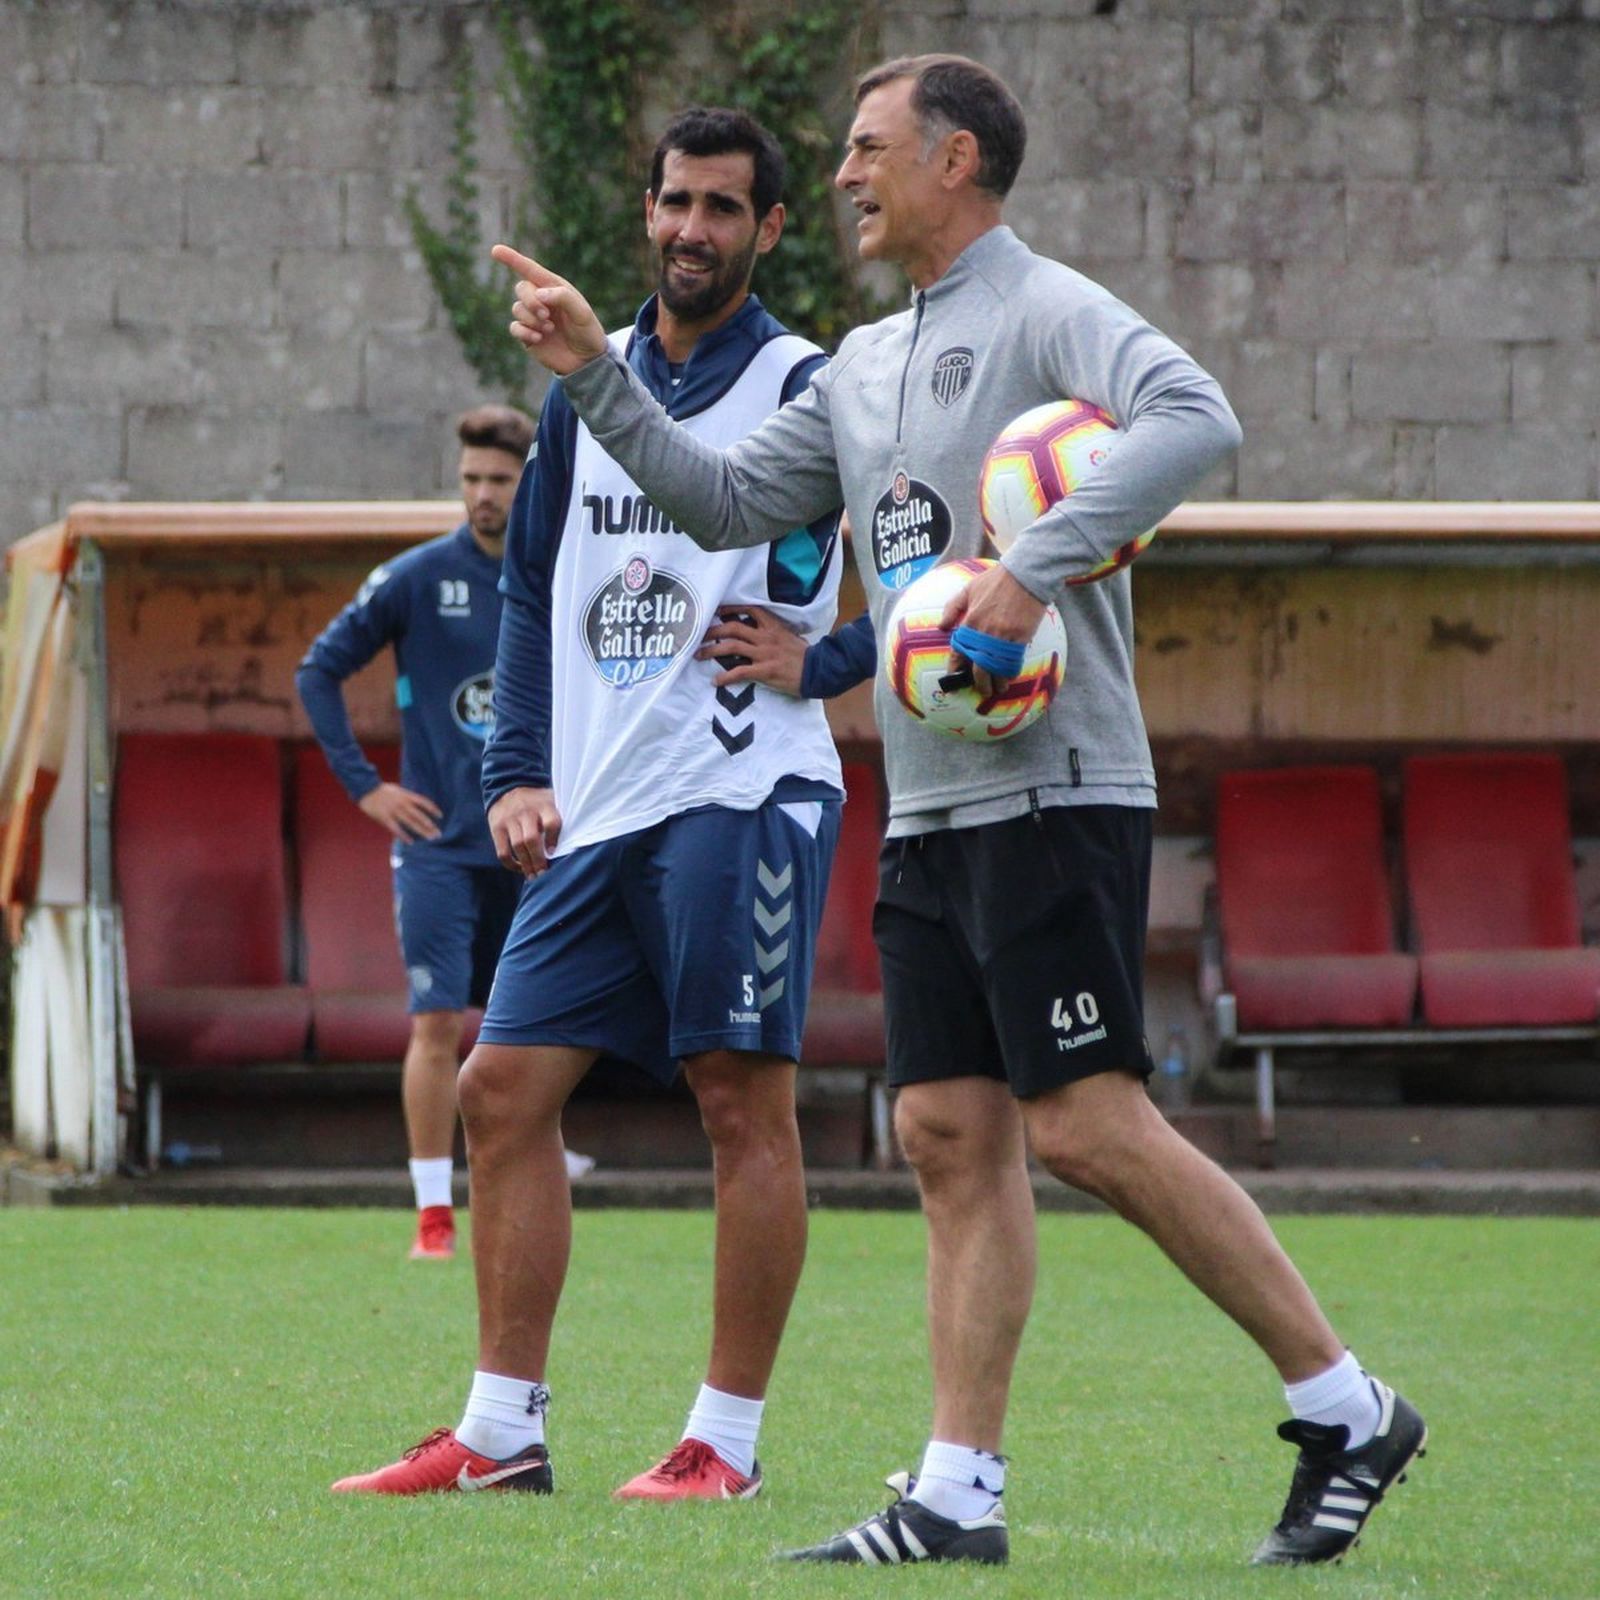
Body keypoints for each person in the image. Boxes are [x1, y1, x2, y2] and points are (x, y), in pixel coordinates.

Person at [488, 53, 1427, 1569]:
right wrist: (595, 370)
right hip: (926, 806)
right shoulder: (862, 365)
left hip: (1055, 785)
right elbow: (726, 505)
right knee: (943, 1127)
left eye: (869, 150)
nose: (846, 175)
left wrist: (1030, 562)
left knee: (1086, 1124)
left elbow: (1197, 417)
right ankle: (954, 1497)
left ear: (958, 161)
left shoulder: (1046, 307)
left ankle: (1344, 1402)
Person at [332, 107, 857, 1502]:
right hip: (605, 803)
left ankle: (723, 1446)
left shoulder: (813, 386)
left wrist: (838, 658)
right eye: (675, 202)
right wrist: (515, 770)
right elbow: (530, 588)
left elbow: (908, 573)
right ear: (648, 212)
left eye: (724, 209)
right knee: (499, 1092)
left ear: (771, 230)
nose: (693, 229)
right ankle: (501, 1435)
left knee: (738, 1100)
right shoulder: (588, 386)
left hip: (745, 788)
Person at [297, 405, 542, 1263]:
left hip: (535, 846)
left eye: (499, 481)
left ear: (529, 479)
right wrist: (367, 790)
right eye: (471, 479)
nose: (482, 495)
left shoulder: (558, 571)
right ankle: (435, 1215)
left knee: (535, 1030)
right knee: (437, 1023)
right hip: (437, 843)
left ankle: (531, 1173)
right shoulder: (414, 577)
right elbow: (317, 671)